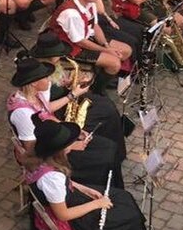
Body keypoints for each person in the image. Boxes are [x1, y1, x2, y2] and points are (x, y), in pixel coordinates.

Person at [29, 116, 161, 230]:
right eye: (68, 144)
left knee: (123, 197)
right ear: (59, 150)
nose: (72, 145)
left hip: (69, 199)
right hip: (69, 220)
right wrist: (97, 204)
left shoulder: (48, 164)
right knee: (126, 219)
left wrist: (86, 189)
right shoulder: (52, 179)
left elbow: (65, 182)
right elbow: (63, 215)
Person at [6, 57, 121, 188]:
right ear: (33, 83)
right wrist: (70, 146)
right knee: (104, 157)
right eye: (46, 77)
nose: (49, 80)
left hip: (54, 143)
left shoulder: (34, 94)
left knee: (109, 146)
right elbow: (31, 150)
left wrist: (71, 131)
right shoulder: (23, 113)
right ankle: (93, 190)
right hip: (47, 158)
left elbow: (46, 112)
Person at [49, 0, 132, 87]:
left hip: (85, 36)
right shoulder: (71, 14)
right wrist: (107, 50)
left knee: (126, 50)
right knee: (114, 63)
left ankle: (106, 75)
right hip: (69, 46)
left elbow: (95, 26)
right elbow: (79, 42)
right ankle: (98, 88)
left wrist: (106, 45)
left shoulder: (90, 3)